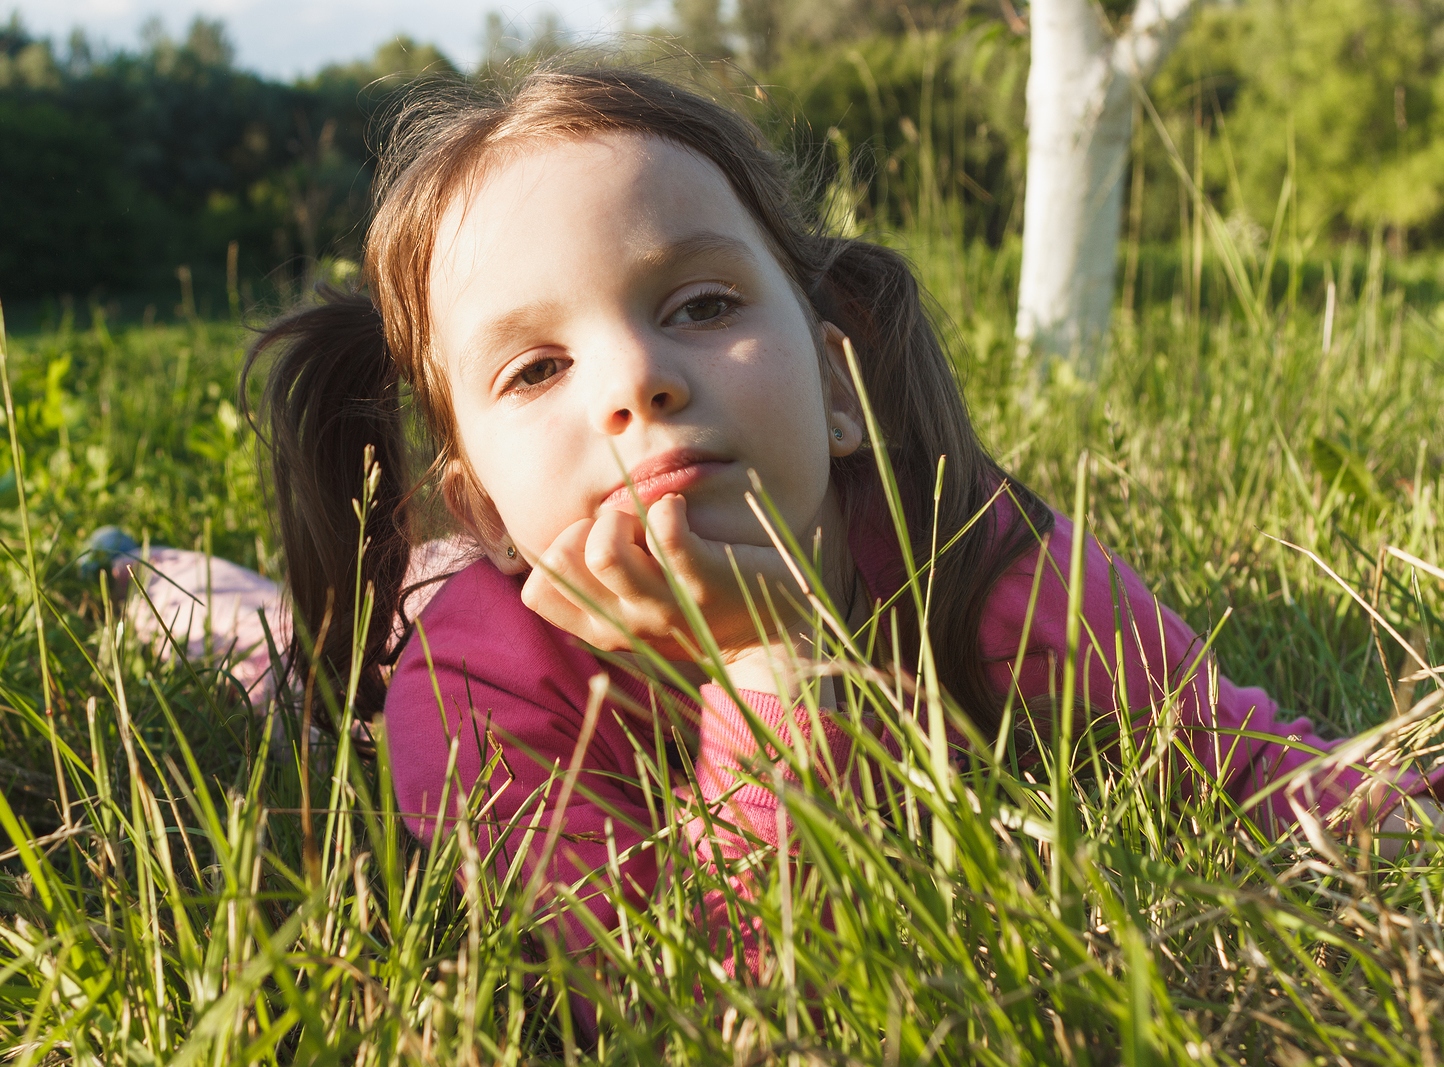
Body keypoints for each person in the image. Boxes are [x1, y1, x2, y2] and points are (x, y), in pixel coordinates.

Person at [201, 65, 1439, 1031]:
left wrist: (1395, 812)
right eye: (537, 366)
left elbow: (1256, 768)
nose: (635, 380)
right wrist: (769, 669)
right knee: (257, 646)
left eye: (700, 305)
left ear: (839, 383)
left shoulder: (976, 560)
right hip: (410, 622)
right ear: (476, 507)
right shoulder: (477, 684)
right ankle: (154, 578)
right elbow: (696, 1003)